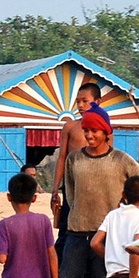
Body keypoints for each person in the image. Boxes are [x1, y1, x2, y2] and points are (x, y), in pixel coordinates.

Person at [49, 101, 139, 278]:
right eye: (86, 130)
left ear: (106, 133)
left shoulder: (121, 160)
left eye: (94, 131)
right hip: (76, 231)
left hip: (105, 235)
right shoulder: (74, 159)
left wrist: (130, 208)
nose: (89, 135)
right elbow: (70, 192)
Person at [49, 82, 107, 263]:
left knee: (96, 228)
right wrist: (55, 189)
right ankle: (59, 270)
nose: (80, 106)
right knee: (67, 227)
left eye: (85, 101)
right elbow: (62, 158)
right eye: (78, 102)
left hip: (97, 188)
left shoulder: (105, 128)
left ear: (98, 101)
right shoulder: (70, 127)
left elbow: (109, 159)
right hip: (72, 187)